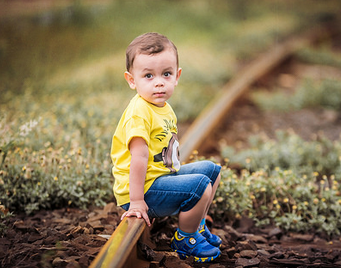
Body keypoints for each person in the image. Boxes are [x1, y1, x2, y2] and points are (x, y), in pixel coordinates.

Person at [110, 32, 222, 263]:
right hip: (143, 190)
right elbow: (138, 159)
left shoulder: (162, 106)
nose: (159, 82)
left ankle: (197, 225)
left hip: (160, 178)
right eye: (148, 75)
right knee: (200, 186)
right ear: (132, 80)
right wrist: (137, 201)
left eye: (166, 74)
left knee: (213, 171)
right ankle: (185, 239)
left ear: (177, 76)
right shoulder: (138, 113)